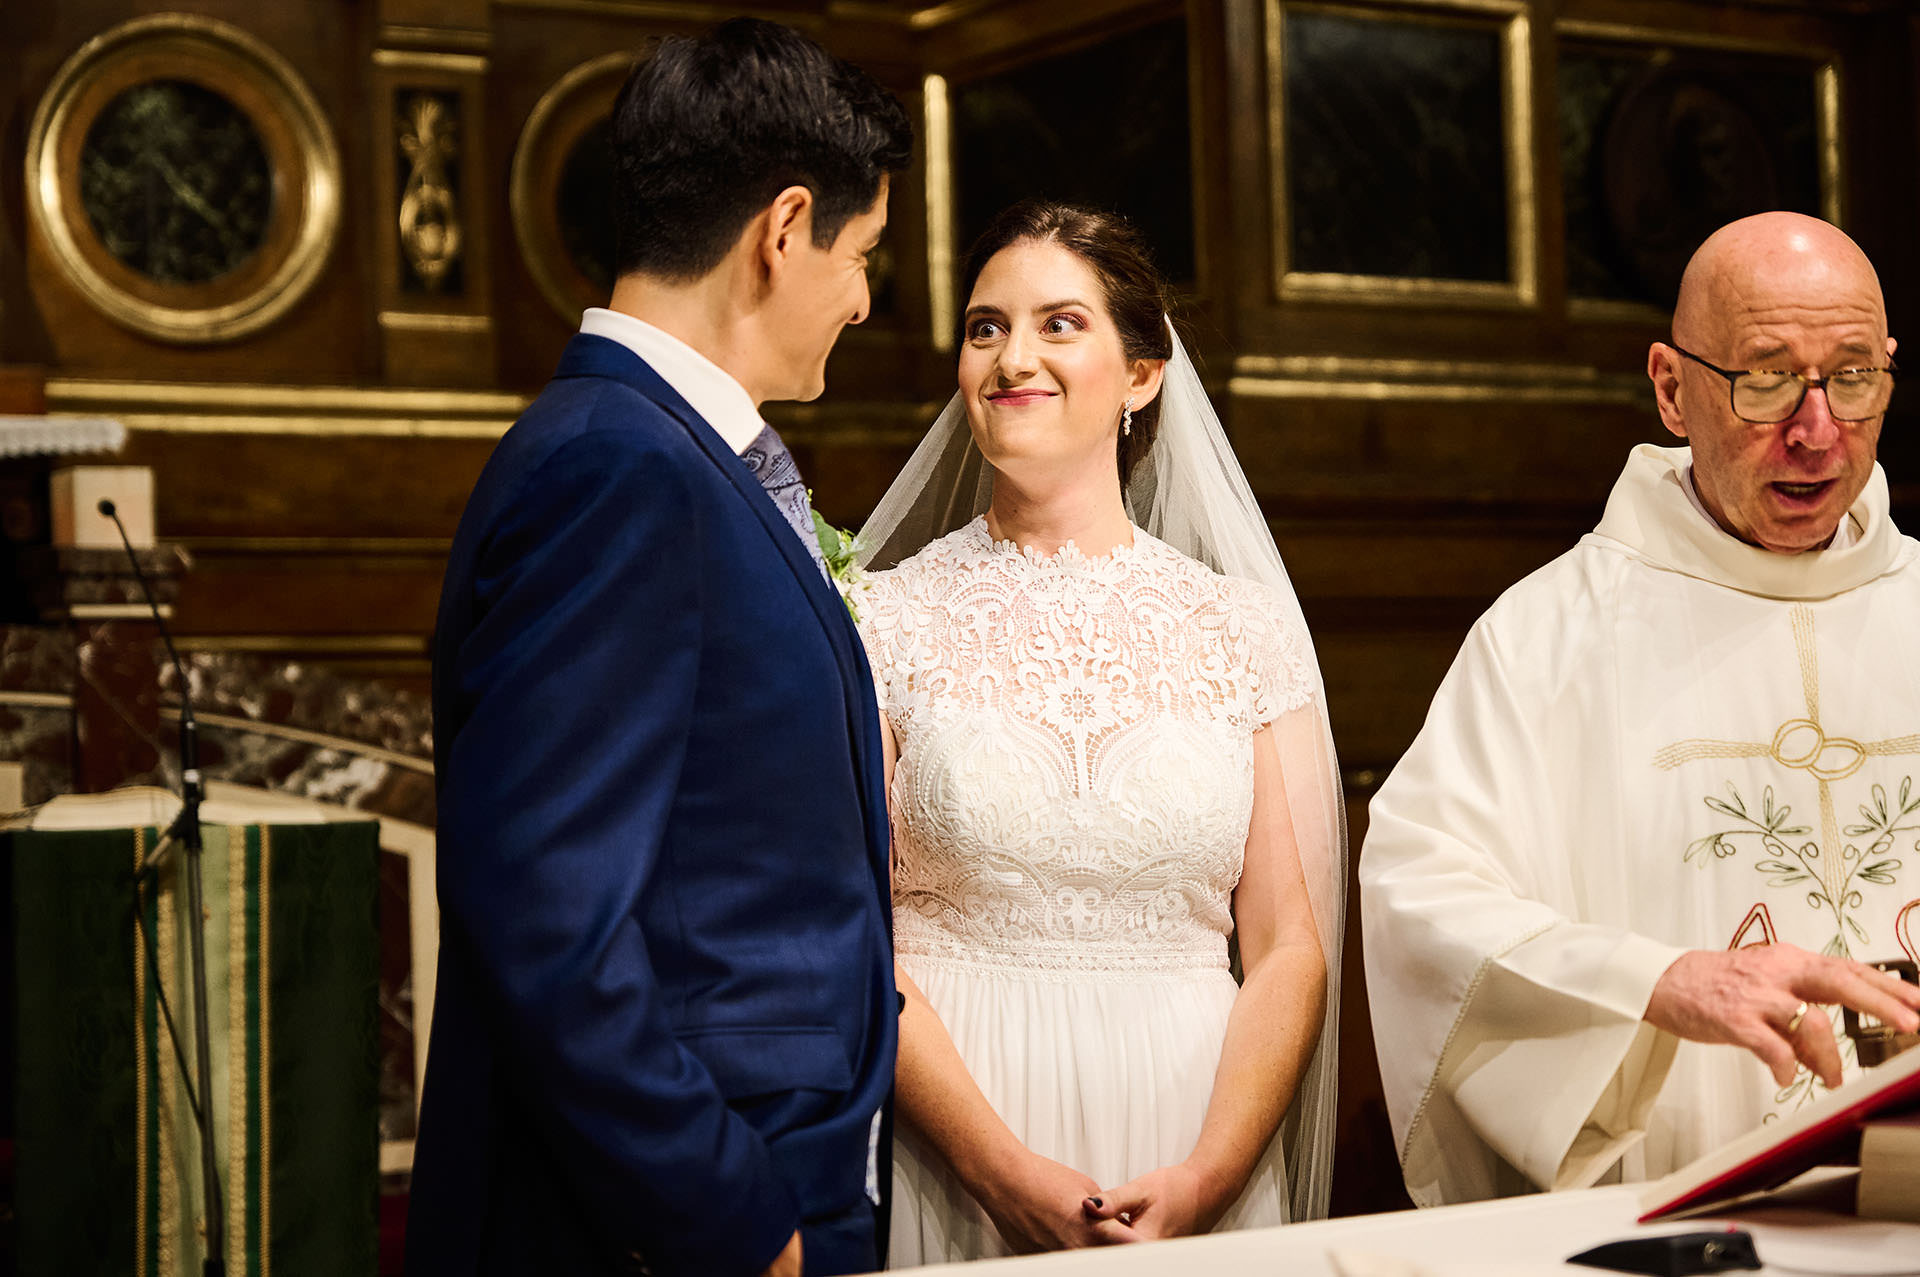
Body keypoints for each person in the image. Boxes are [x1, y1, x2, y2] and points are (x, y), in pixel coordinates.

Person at [408, 20, 911, 1277]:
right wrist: (735, 1216)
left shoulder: (647, 449)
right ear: (783, 230)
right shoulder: (619, 470)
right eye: (862, 254)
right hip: (675, 1219)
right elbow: (546, 912)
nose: (860, 296)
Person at [1361, 211, 1920, 1207]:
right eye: (1766, 377)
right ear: (1671, 386)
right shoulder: (1553, 637)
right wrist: (1656, 984)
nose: (1817, 426)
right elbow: (1423, 889)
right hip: (1696, 1202)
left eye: (1852, 375)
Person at [854, 202, 1344, 1264]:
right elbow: (852, 936)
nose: (1010, 357)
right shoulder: (882, 619)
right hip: (960, 1144)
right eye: (986, 327)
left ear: (1141, 373)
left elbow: (1287, 949)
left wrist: (1209, 1175)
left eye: (1058, 323)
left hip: (1187, 1137)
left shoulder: (1239, 626)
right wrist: (998, 1169)